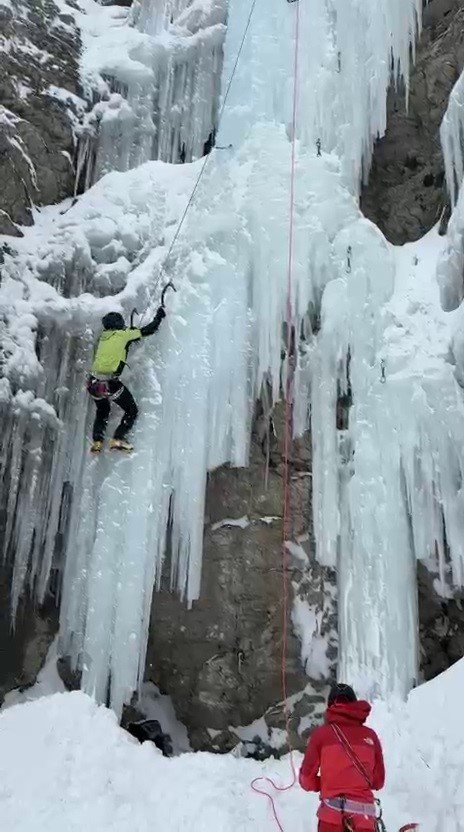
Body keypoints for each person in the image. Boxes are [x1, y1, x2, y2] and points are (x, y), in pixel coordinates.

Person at [299, 683, 385, 832]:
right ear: (354, 704)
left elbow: (306, 780)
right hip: (364, 817)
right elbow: (378, 781)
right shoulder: (370, 736)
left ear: (330, 705)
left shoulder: (320, 735)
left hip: (332, 817)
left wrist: (327, 782)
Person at [87, 306, 166, 453]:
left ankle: (97, 441)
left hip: (93, 383)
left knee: (102, 410)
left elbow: (116, 347)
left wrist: (128, 337)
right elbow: (148, 330)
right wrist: (159, 317)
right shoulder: (123, 334)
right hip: (109, 383)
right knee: (131, 410)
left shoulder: (103, 337)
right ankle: (118, 438)